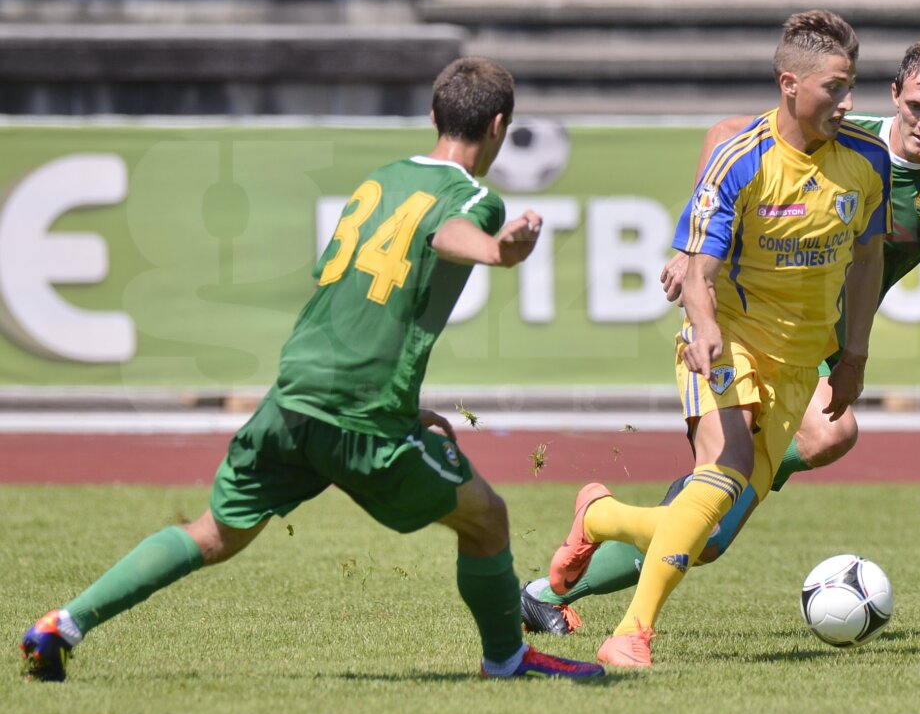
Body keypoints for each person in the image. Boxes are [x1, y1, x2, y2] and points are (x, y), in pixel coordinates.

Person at [20, 57, 603, 682]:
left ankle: (63, 625)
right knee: (487, 518)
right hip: (359, 413)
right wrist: (494, 248)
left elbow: (358, 296)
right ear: (498, 125)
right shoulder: (475, 198)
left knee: (214, 533)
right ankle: (506, 660)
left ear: (433, 116)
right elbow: (444, 232)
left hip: (295, 392)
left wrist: (405, 406)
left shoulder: (380, 180)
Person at [522, 40, 920, 639]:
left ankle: (556, 575)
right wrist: (691, 244)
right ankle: (622, 602)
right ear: (894, 94)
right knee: (799, 454)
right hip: (747, 325)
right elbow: (724, 135)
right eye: (915, 105)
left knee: (716, 526)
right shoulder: (846, 129)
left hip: (816, 348)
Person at [543, 11, 891, 667]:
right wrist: (703, 327)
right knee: (722, 472)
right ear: (790, 84)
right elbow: (696, 267)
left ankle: (601, 515)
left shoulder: (869, 162)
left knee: (706, 531)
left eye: (852, 88)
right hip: (726, 339)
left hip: (797, 368)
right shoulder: (741, 159)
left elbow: (869, 259)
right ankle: (631, 633)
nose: (848, 104)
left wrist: (854, 356)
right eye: (834, 89)